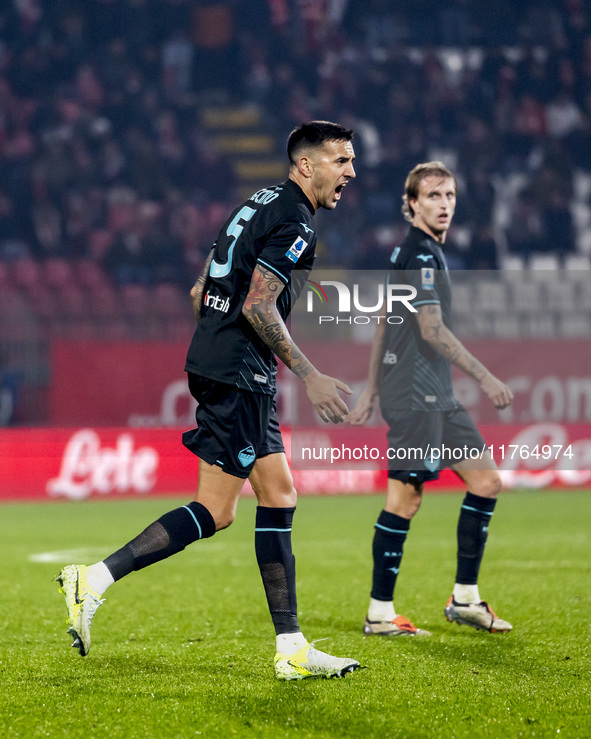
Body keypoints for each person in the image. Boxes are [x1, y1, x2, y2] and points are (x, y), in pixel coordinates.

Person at [56, 121, 362, 680]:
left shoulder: (257, 202)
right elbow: (259, 306)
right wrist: (311, 375)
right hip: (241, 373)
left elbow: (201, 291)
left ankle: (292, 648)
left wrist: (219, 341)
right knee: (217, 510)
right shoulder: (293, 219)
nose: (350, 172)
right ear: (305, 165)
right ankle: (93, 578)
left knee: (279, 494)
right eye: (340, 160)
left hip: (225, 363)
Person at [349, 161, 514, 637]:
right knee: (404, 499)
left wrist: (372, 388)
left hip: (436, 394)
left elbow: (383, 320)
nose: (444, 204)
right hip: (416, 397)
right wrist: (485, 377)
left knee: (485, 482)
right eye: (434, 196)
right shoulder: (420, 254)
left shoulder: (416, 253)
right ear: (412, 203)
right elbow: (431, 329)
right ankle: (380, 612)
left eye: (450, 196)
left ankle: (464, 599)